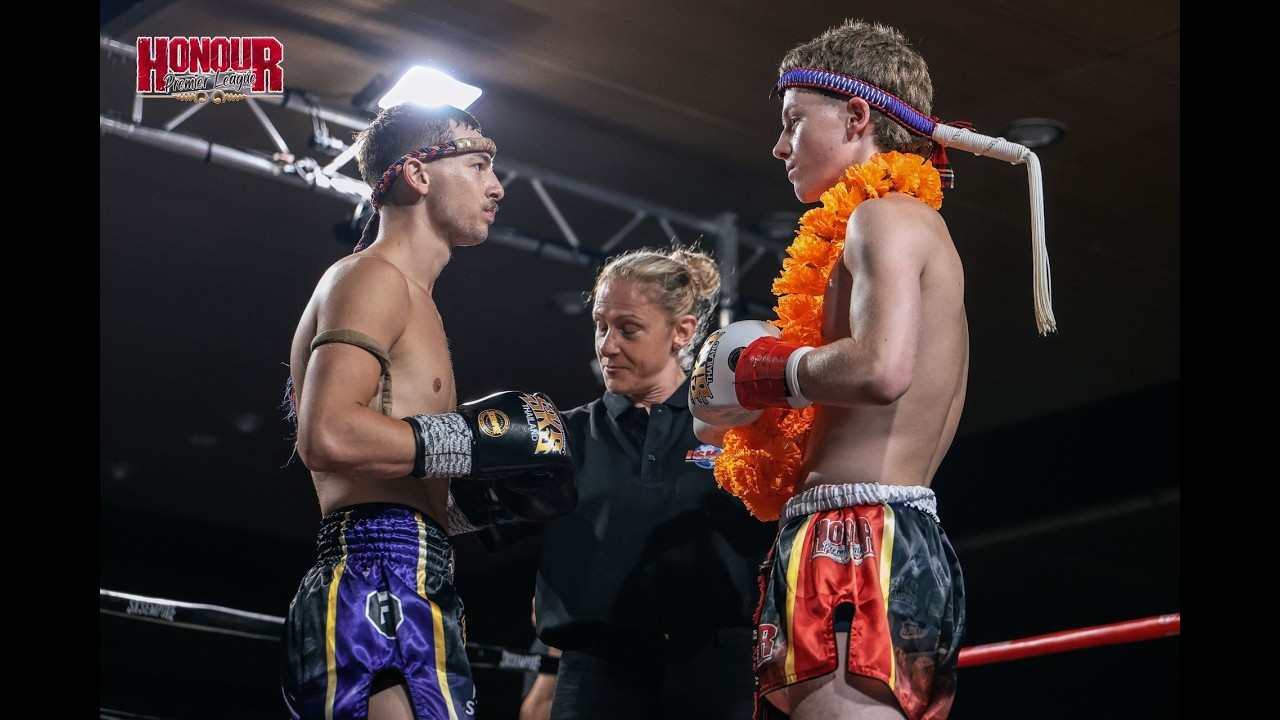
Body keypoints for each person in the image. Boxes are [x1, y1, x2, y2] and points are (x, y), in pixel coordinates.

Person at [689, 19, 987, 720]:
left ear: (857, 117)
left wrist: (768, 369)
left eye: (795, 121)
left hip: (861, 539)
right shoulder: (899, 226)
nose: (779, 145)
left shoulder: (885, 216)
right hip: (850, 533)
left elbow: (883, 369)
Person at [279, 102, 576, 720]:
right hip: (374, 569)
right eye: (478, 164)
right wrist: (473, 440)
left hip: (417, 565)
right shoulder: (372, 278)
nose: (496, 187)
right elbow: (327, 434)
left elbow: (395, 470)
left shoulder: (416, 299)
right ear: (417, 173)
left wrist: (482, 501)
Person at [491, 246, 777, 719]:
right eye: (600, 326)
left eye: (627, 329)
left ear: (681, 331)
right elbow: (477, 525)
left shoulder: (740, 430)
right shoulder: (559, 437)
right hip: (595, 679)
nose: (606, 345)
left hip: (720, 675)